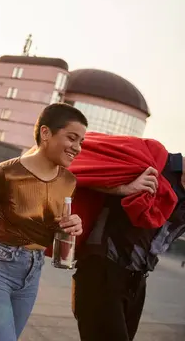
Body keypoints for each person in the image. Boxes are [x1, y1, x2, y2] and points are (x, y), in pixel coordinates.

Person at [0, 103, 88, 341]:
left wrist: (73, 225)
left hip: (31, 275)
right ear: (45, 133)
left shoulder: (69, 181)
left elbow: (49, 227)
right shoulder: (4, 174)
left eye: (81, 141)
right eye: (72, 138)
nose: (77, 147)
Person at [67, 133, 185, 341]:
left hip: (137, 281)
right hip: (102, 270)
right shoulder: (153, 157)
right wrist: (124, 188)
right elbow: (74, 167)